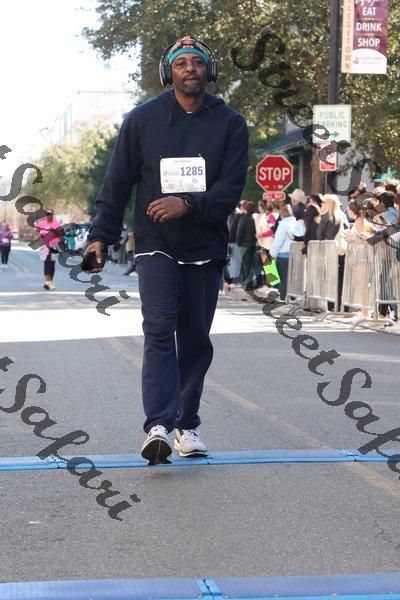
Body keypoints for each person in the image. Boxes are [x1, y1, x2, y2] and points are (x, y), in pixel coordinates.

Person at [83, 34, 249, 464]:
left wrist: (188, 204)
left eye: (197, 62)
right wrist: (100, 235)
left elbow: (230, 190)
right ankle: (157, 425)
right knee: (159, 328)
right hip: (155, 245)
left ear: (209, 71)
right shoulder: (142, 120)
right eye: (181, 63)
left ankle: (186, 425)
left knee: (194, 341)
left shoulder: (230, 123)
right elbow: (116, 183)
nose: (190, 68)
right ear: (168, 72)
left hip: (205, 246)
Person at [317, 194, 348, 311]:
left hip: (330, 253)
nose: (322, 204)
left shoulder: (325, 217)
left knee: (330, 281)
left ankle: (331, 308)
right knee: (341, 281)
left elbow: (319, 235)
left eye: (324, 202)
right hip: (341, 252)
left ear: (329, 204)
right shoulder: (341, 216)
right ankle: (342, 307)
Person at [270, 204, 297, 300]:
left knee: (283, 278)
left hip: (283, 254)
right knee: (293, 278)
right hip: (295, 255)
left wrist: (272, 254)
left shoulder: (283, 224)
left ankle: (283, 298)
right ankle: (292, 298)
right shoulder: (296, 222)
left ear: (282, 215)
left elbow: (278, 241)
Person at [236, 200, 262, 291]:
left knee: (246, 265)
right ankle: (257, 283)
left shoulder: (243, 218)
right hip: (254, 244)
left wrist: (238, 243)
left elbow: (240, 231)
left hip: (244, 244)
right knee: (255, 265)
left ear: (246, 209)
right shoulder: (255, 218)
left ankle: (248, 284)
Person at [35, 208, 62, 290]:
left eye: (50, 214)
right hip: (45, 247)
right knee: (46, 263)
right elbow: (37, 231)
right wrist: (41, 235)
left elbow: (60, 234)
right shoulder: (42, 223)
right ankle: (47, 281)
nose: (48, 216)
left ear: (53, 215)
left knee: (52, 264)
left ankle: (50, 281)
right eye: (47, 214)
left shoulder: (56, 224)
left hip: (54, 246)